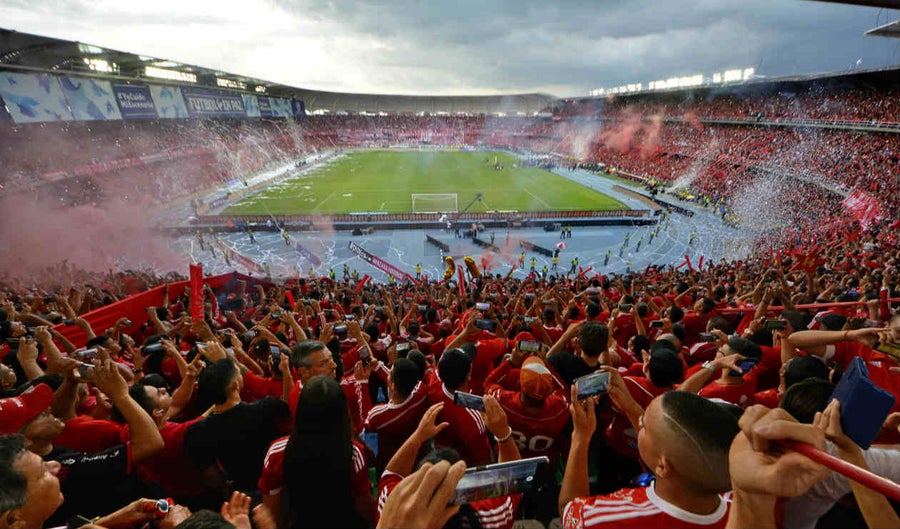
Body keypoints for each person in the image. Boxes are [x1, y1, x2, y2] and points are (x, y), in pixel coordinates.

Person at [560, 389, 740, 528]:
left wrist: (581, 437)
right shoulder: (745, 508)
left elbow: (570, 509)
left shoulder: (604, 519)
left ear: (662, 467)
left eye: (644, 425)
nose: (638, 421)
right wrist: (630, 406)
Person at [262, 375, 375, 529]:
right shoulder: (354, 453)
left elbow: (272, 513)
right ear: (342, 413)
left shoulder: (277, 452)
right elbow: (366, 509)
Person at [183, 356, 291, 496]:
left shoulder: (199, 431)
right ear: (235, 385)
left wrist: (228, 492)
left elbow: (210, 476)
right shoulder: (266, 409)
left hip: (242, 494)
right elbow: (289, 408)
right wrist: (286, 373)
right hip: (278, 486)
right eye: (239, 373)